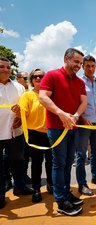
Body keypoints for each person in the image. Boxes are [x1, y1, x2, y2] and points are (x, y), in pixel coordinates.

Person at [39, 48, 87, 216]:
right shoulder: (52, 75)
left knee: (68, 162)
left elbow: (83, 102)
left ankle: (66, 193)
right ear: (66, 59)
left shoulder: (80, 82)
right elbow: (43, 97)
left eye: (80, 63)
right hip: (57, 129)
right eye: (76, 62)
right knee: (59, 163)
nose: (79, 66)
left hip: (73, 128)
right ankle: (61, 201)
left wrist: (75, 115)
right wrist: (61, 113)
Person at [0, 57, 33, 209]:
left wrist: (20, 115)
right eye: (2, 67)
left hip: (15, 131)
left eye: (8, 67)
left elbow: (24, 106)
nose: (6, 69)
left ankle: (20, 186)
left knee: (19, 160)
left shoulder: (19, 87)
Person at [75, 55, 96, 196]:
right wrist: (81, 118)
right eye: (87, 66)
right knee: (81, 154)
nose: (90, 68)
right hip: (83, 124)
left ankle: (95, 177)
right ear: (82, 66)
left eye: (92, 66)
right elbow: (74, 103)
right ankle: (82, 184)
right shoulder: (77, 82)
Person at [19, 68, 53, 203]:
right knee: (37, 163)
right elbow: (23, 112)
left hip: (51, 133)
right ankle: (37, 189)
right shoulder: (27, 95)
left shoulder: (50, 94)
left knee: (51, 162)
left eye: (41, 76)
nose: (38, 79)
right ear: (31, 80)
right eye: (35, 77)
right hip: (34, 134)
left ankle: (51, 184)